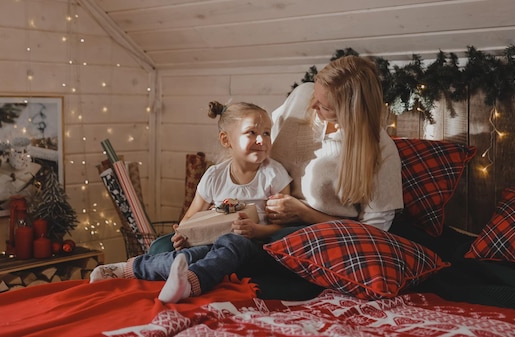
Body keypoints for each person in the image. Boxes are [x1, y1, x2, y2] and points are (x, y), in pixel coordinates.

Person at [90, 101, 292, 303]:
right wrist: (183, 235)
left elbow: (283, 226)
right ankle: (126, 269)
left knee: (232, 242)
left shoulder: (273, 174)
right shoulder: (215, 176)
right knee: (193, 254)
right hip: (214, 244)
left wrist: (256, 231)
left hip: (253, 249)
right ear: (226, 139)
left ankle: (190, 282)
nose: (262, 140)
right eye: (251, 133)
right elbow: (190, 218)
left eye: (266, 133)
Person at [265, 54, 404, 232]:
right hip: (265, 217)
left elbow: (374, 230)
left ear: (351, 114)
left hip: (324, 234)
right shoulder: (301, 95)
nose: (312, 105)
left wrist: (304, 213)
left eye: (325, 107)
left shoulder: (381, 150)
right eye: (315, 94)